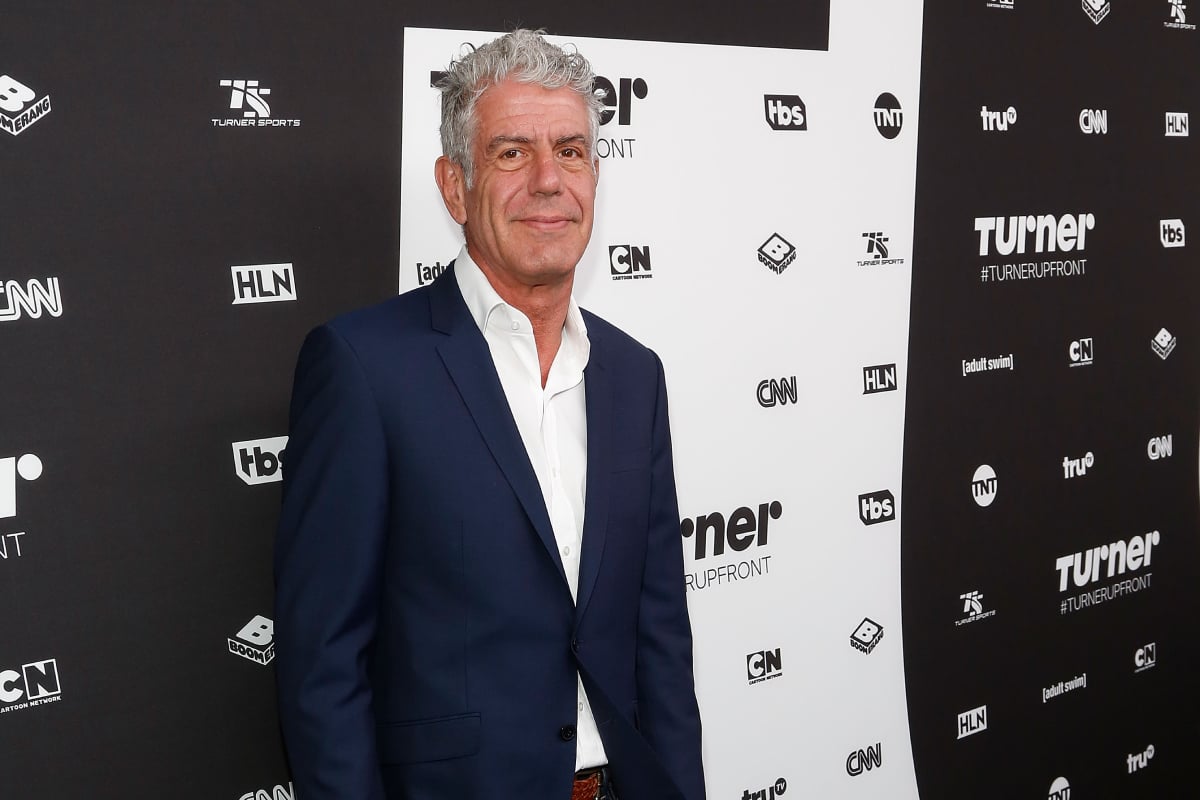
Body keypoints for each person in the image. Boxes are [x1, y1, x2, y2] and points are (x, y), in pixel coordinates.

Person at [274, 28, 704, 800]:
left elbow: (660, 640)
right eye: (512, 153)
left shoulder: (634, 375)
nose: (548, 180)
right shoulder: (364, 367)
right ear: (454, 186)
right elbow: (322, 664)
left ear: (596, 178)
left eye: (571, 152)